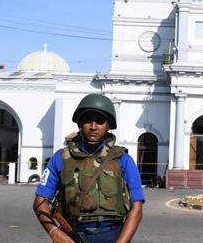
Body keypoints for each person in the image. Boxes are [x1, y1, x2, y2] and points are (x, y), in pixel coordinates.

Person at [33, 93, 144, 243]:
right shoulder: (60, 158)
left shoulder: (123, 159)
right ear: (79, 123)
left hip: (113, 235)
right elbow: (40, 202)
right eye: (87, 120)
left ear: (108, 125)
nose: (93, 127)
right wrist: (54, 232)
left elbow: (137, 208)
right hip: (72, 234)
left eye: (99, 121)